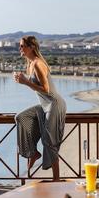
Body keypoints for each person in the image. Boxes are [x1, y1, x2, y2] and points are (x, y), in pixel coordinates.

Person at [14, 36, 66, 181]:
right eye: (20, 46)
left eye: (22, 46)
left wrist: (25, 82)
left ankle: (56, 179)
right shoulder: (29, 64)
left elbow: (46, 89)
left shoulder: (38, 63)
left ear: (31, 47)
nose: (20, 49)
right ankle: (33, 153)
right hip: (44, 105)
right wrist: (22, 80)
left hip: (54, 104)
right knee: (21, 117)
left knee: (49, 141)